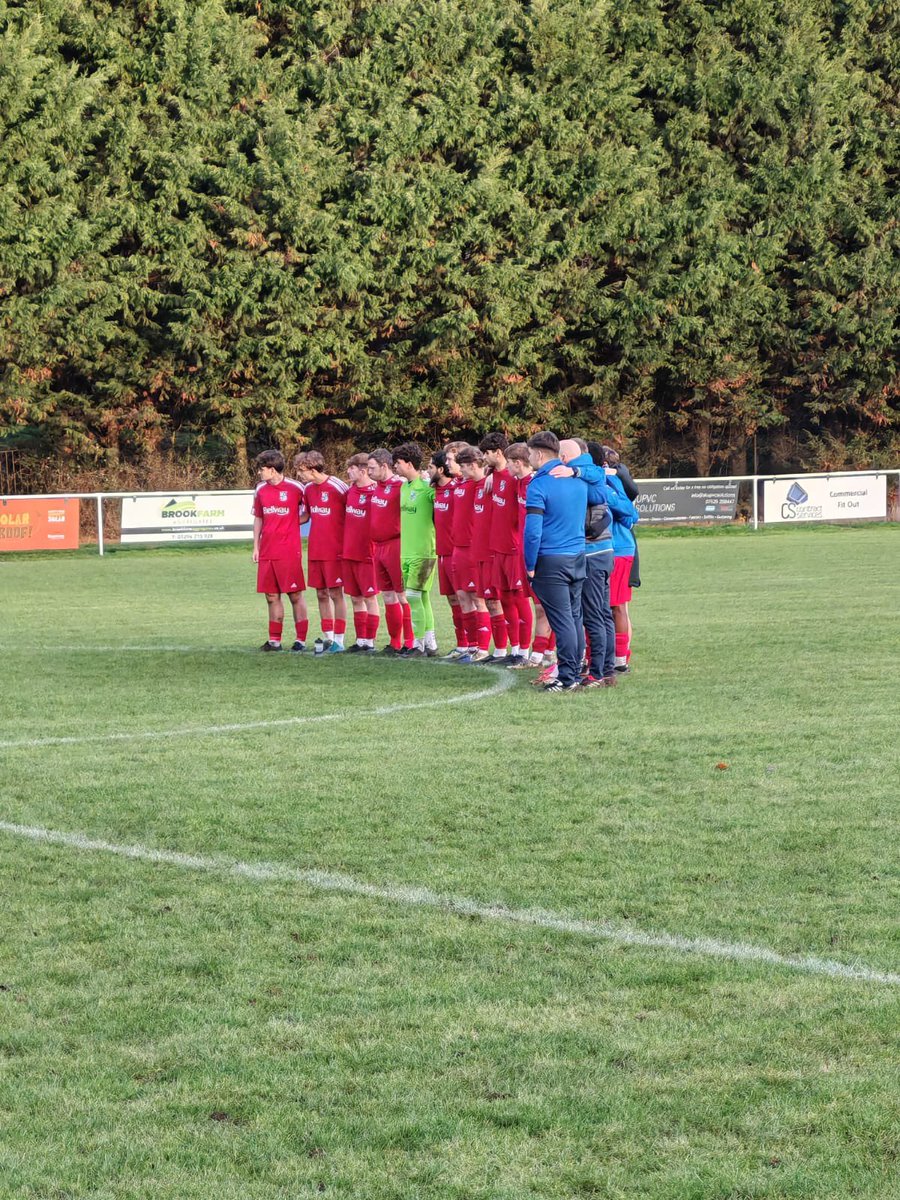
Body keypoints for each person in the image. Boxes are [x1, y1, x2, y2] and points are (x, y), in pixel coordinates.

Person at [523, 431, 598, 692]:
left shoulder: (539, 485)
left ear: (540, 454)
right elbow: (599, 493)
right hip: (577, 557)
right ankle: (574, 673)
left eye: (530, 453)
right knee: (574, 617)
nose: (529, 458)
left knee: (563, 620)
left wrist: (529, 564)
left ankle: (567, 678)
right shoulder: (577, 481)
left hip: (551, 559)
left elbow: (533, 531)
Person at [553, 439, 616, 686]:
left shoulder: (582, 472)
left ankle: (598, 672)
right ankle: (605, 669)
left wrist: (573, 473)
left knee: (593, 615)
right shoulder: (586, 471)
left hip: (592, 553)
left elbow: (597, 488)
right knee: (600, 612)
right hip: (601, 552)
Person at [251, 449, 309, 652]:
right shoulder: (260, 490)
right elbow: (258, 518)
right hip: (267, 551)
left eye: (262, 469)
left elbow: (308, 513)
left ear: (273, 470)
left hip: (289, 551)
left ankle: (300, 640)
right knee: (271, 596)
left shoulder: (296, 488)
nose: (260, 472)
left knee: (294, 595)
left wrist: (290, 525)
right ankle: (274, 640)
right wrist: (256, 547)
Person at [293, 450, 349, 653]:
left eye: (302, 471)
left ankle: (340, 640)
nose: (300, 475)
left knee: (336, 593)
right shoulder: (308, 489)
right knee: (321, 593)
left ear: (313, 469)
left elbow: (353, 514)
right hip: (315, 549)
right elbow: (306, 515)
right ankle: (328, 637)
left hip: (335, 549)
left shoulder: (338, 487)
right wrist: (282, 522)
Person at [393, 442, 438, 657]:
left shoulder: (428, 488)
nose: (395, 467)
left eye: (398, 463)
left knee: (412, 596)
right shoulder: (404, 487)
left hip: (424, 553)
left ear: (409, 464)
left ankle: (418, 644)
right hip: (406, 553)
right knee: (422, 597)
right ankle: (430, 643)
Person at [368, 448, 412, 653]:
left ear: (384, 466)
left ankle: (410, 642)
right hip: (378, 547)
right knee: (387, 596)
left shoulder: (400, 486)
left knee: (403, 595)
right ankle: (395, 641)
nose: (368, 472)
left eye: (372, 468)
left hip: (396, 545)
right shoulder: (376, 487)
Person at [452, 446, 493, 663]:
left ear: (474, 465)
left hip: (474, 548)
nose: (461, 471)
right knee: (461, 596)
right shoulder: (462, 484)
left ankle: (483, 648)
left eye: (464, 467)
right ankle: (471, 645)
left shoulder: (486, 483)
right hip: (457, 548)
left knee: (479, 598)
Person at [430, 450, 467, 657]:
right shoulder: (433, 491)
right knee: (452, 600)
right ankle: (461, 644)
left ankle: (473, 644)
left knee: (466, 599)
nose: (428, 471)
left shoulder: (456, 489)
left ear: (441, 469)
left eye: (430, 467)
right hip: (442, 552)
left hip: (457, 552)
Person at [341, 453, 380, 653]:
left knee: (370, 597)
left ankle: (371, 641)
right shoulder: (350, 491)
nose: (348, 471)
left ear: (363, 470)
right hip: (349, 553)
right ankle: (360, 639)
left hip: (367, 553)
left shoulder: (376, 492)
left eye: (352, 468)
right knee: (355, 598)